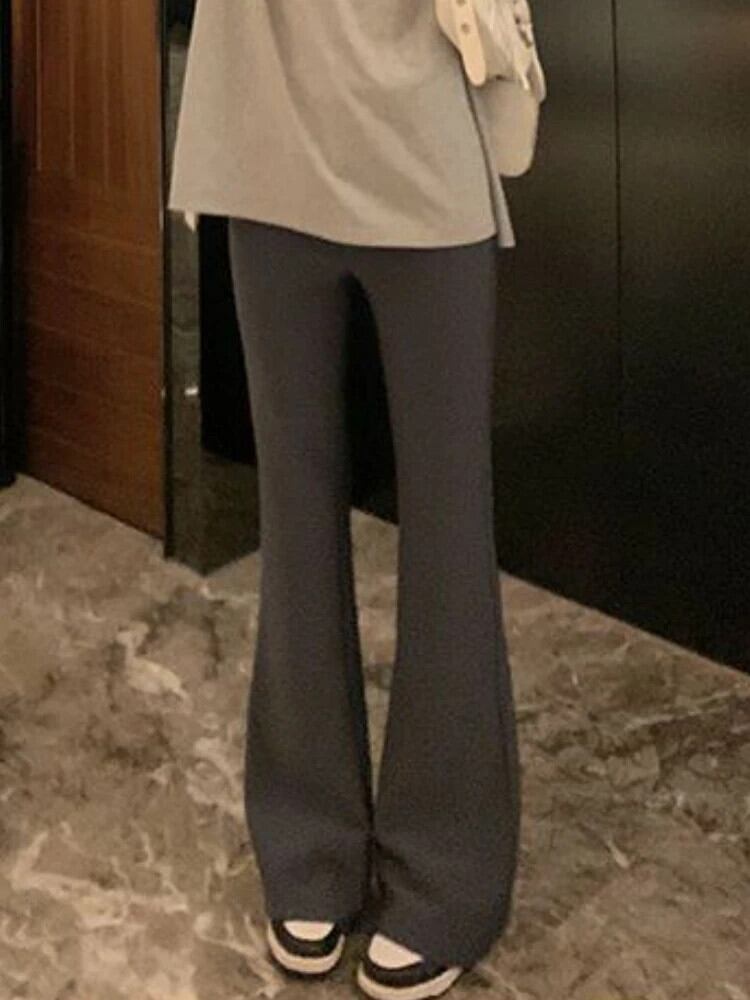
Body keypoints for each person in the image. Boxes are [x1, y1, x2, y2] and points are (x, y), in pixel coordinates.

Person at [168, 3, 521, 997]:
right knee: (293, 515)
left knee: (449, 530)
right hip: (262, 135)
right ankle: (308, 845)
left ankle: (447, 876)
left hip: (422, 131)